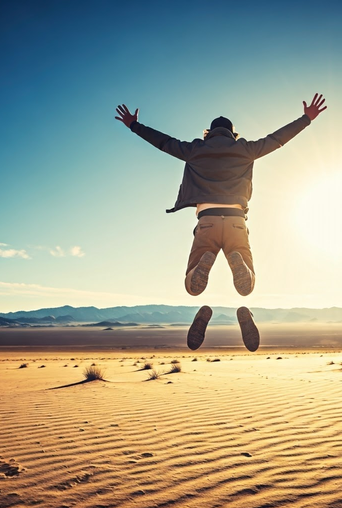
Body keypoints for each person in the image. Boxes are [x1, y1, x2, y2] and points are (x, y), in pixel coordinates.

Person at [115, 94, 327, 351]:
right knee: (247, 287)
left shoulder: (195, 149)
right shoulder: (245, 149)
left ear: (208, 133)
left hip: (208, 221)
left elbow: (164, 143)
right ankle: (240, 267)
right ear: (232, 133)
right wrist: (306, 119)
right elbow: (276, 140)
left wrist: (134, 125)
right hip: (237, 221)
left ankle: (202, 268)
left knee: (192, 287)